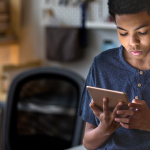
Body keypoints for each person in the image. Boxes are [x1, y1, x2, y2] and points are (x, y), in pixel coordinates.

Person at [78, 0, 150, 149]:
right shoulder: (102, 65)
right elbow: (88, 143)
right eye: (123, 33)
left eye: (142, 32)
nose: (132, 42)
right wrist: (104, 130)